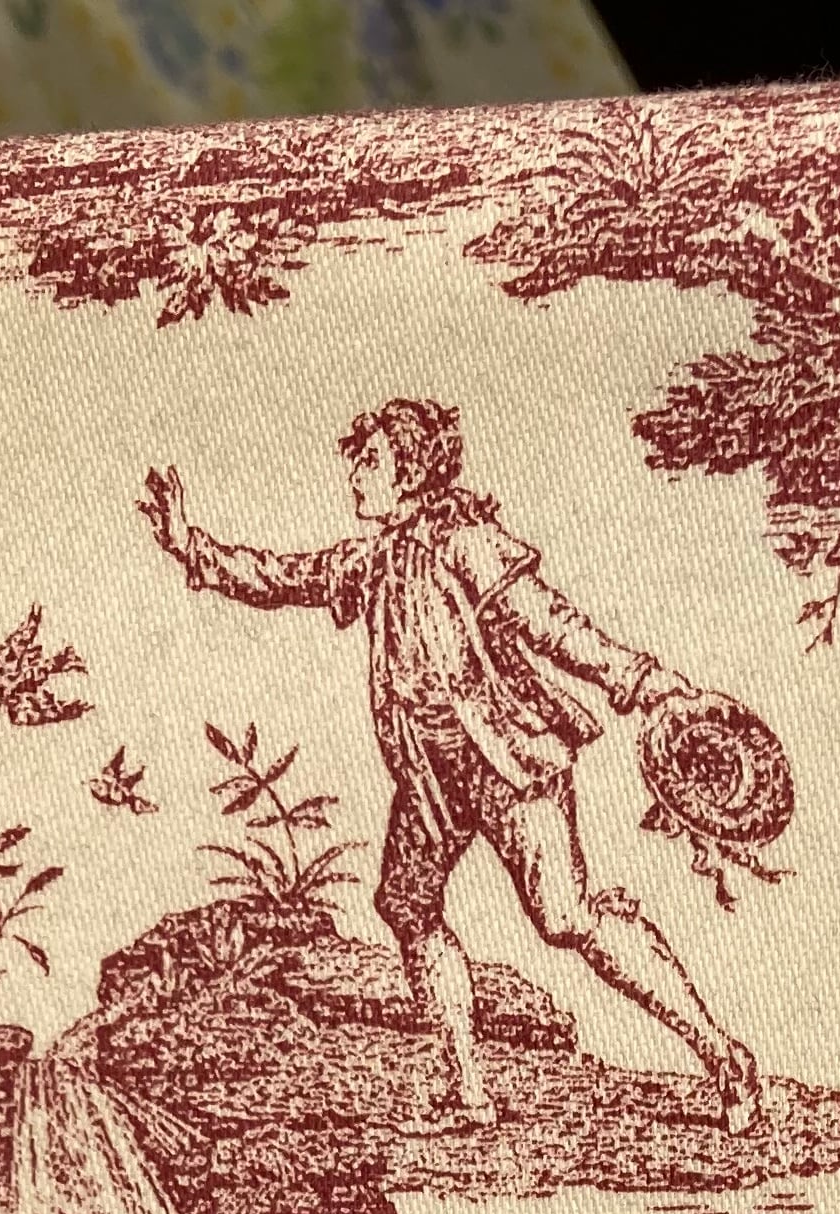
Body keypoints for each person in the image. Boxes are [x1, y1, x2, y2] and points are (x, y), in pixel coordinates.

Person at [137, 398, 759, 1133]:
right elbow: (284, 576)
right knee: (407, 907)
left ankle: (724, 1057)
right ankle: (467, 1089)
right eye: (357, 460)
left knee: (565, 918)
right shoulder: (373, 559)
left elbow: (554, 625)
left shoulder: (468, 542)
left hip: (508, 761)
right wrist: (189, 545)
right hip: (431, 779)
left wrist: (642, 682)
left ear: (411, 471)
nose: (355, 474)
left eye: (371, 460)